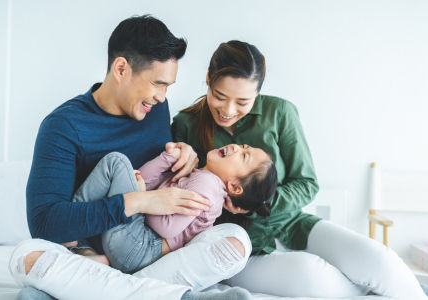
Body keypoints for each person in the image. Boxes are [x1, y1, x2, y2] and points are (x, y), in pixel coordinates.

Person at [13, 16, 254, 300]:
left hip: (144, 255)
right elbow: (45, 225)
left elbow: (163, 181)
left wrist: (185, 155)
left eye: (168, 87)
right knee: (26, 257)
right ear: (121, 69)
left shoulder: (155, 112)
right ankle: (176, 296)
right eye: (158, 84)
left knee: (235, 241)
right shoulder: (63, 126)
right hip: (89, 253)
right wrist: (137, 202)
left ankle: (104, 290)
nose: (163, 97)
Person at [171, 40, 428, 299]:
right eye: (219, 96)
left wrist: (258, 203)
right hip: (239, 244)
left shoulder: (280, 113)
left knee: (379, 260)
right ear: (207, 78)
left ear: (258, 93)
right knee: (316, 277)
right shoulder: (186, 125)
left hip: (292, 224)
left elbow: (306, 183)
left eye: (242, 101)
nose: (227, 110)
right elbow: (181, 196)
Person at [66, 143, 277, 274]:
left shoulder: (208, 186)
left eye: (243, 156)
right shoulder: (200, 177)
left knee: (116, 162)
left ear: (234, 187)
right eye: (243, 146)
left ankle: (70, 226)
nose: (236, 147)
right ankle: (90, 252)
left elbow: (166, 228)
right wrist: (167, 159)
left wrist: (144, 198)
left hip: (141, 246)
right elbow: (145, 181)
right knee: (122, 174)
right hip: (135, 248)